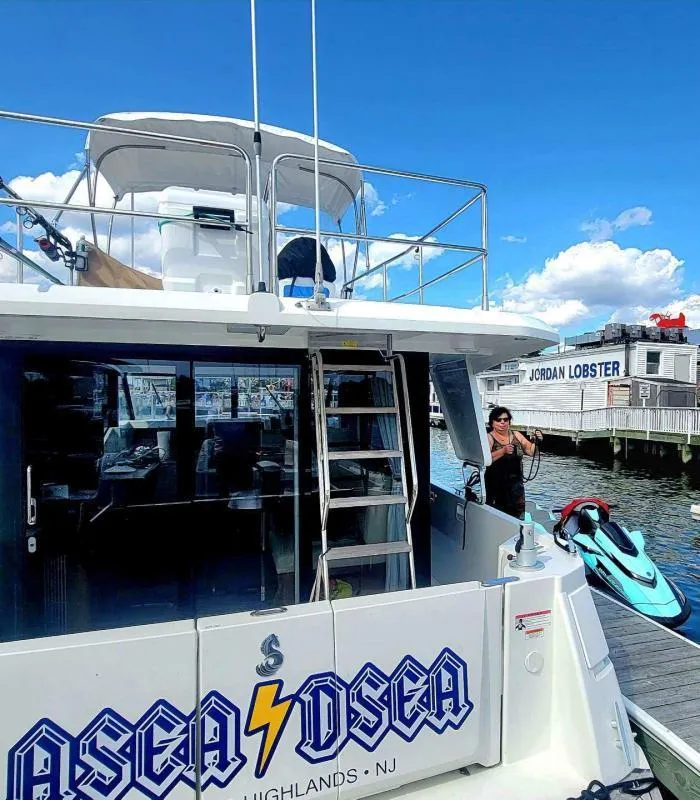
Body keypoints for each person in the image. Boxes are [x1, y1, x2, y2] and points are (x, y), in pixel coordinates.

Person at [484, 406, 543, 519]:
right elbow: (485, 459)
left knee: (518, 516)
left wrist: (537, 441)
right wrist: (502, 451)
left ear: (509, 421)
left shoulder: (516, 435)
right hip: (496, 485)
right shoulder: (489, 437)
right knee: (496, 516)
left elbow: (531, 452)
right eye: (498, 420)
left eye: (505, 419)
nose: (502, 422)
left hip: (516, 485)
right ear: (492, 422)